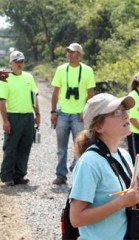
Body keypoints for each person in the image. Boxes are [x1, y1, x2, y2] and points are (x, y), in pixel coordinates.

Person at [69, 93, 139, 239]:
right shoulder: (89, 162)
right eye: (116, 112)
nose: (125, 116)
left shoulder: (124, 155)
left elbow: (126, 206)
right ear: (99, 126)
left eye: (125, 110)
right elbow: (76, 219)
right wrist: (121, 203)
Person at [51, 43, 95, 185]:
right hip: (63, 113)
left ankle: (77, 172)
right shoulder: (61, 69)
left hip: (79, 115)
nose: (70, 54)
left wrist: (86, 111)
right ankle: (61, 175)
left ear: (79, 54)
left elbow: (90, 94)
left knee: (81, 146)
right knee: (61, 148)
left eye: (73, 52)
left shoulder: (87, 70)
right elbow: (56, 92)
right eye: (68, 52)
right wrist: (53, 111)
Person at [0, 51, 40, 186]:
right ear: (10, 63)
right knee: (10, 147)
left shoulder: (29, 77)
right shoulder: (4, 78)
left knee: (25, 146)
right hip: (13, 116)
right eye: (16, 61)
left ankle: (19, 175)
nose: (19, 64)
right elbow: (1, 101)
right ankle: (7, 176)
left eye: (21, 61)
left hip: (28, 116)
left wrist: (37, 114)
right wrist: (5, 121)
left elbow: (34, 97)